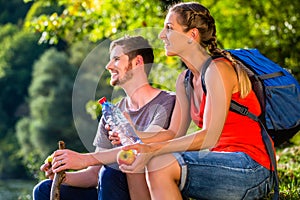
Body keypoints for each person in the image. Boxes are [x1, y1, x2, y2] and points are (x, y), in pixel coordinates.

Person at [50, 2, 276, 199]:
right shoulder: (185, 80)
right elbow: (172, 134)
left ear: (192, 36)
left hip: (251, 167)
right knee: (136, 159)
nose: (161, 35)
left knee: (158, 162)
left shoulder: (218, 70)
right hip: (216, 163)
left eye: (169, 28)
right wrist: (133, 135)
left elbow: (209, 136)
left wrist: (150, 148)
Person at [33, 35, 176, 200]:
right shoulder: (111, 112)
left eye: (116, 59)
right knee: (43, 189)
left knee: (110, 172)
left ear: (137, 62)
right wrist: (62, 176)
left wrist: (83, 159)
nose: (108, 66)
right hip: (108, 189)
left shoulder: (167, 102)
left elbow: (145, 146)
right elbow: (94, 174)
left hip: (143, 191)